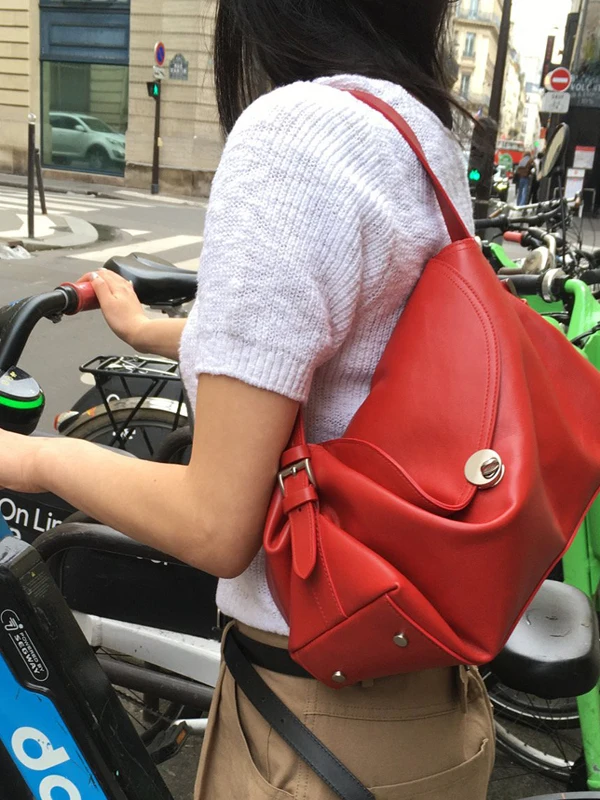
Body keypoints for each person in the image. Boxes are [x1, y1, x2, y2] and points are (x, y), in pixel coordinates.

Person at [0, 1, 495, 797]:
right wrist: (154, 331)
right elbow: (348, 350)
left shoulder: (294, 135)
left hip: (312, 728)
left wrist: (30, 459)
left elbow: (216, 523)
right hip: (432, 710)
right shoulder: (420, 138)